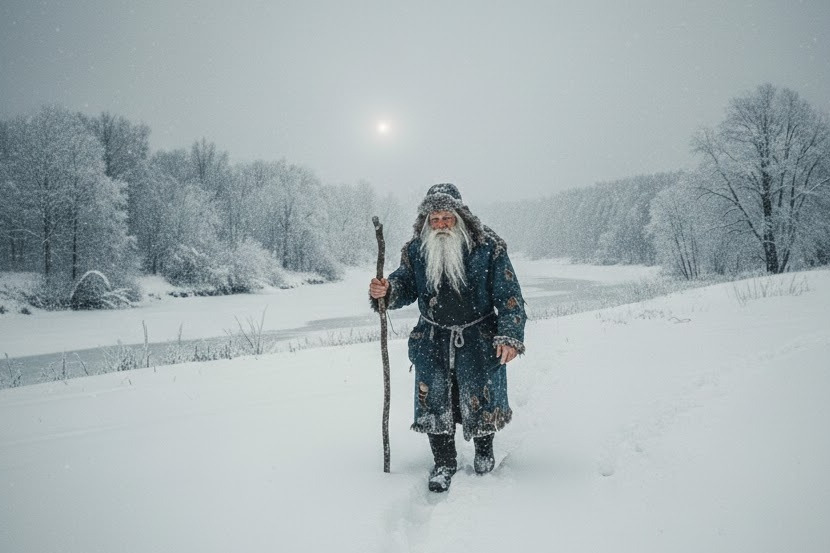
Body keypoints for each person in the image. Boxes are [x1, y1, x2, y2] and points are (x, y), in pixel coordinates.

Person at [369, 183, 526, 492]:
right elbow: (405, 285)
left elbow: (509, 296)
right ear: (426, 221)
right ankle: (444, 463)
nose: (440, 225)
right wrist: (387, 291)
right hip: (432, 340)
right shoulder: (416, 249)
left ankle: (484, 453)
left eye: (446, 218)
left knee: (480, 397)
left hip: (479, 338)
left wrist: (509, 335)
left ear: (460, 217)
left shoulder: (488, 247)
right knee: (435, 401)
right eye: (434, 219)